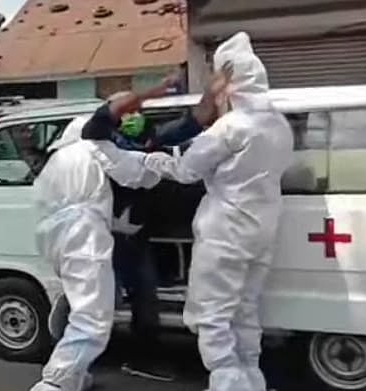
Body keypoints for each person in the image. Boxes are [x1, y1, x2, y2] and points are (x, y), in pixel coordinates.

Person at [139, 32, 293, 391]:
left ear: (229, 81)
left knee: (212, 316)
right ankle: (251, 380)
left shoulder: (232, 126)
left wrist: (153, 160)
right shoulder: (279, 125)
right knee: (244, 313)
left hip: (226, 232)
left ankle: (228, 384)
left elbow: (188, 169)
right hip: (263, 230)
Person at [82, 77, 226, 382]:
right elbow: (113, 110)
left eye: (137, 111)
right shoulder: (96, 138)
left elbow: (196, 119)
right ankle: (77, 362)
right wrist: (154, 91)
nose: (134, 116)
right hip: (102, 238)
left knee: (144, 299)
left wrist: (215, 90)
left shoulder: (153, 141)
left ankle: (141, 359)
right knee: (95, 303)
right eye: (128, 112)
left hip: (134, 238)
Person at [29, 108, 163, 391]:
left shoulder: (58, 160)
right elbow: (140, 175)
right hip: (85, 237)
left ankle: (75, 376)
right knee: (93, 319)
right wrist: (168, 160)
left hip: (57, 239)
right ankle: (55, 383)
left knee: (83, 306)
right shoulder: (94, 151)